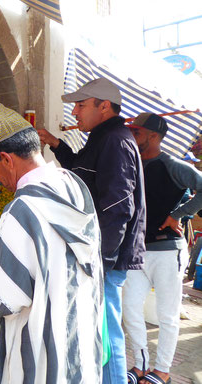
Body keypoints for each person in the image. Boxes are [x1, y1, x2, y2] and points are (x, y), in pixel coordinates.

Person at [0, 102, 104, 383]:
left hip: (40, 358)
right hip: (81, 342)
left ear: (6, 159)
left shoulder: (22, 210)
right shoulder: (74, 186)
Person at [37, 77, 146, 384]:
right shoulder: (101, 138)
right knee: (100, 328)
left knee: (107, 330)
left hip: (105, 258)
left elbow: (119, 206)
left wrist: (101, 259)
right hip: (98, 253)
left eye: (81, 105)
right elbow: (82, 173)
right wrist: (57, 145)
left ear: (105, 106)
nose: (75, 113)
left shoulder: (116, 140)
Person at [123, 113, 202, 384]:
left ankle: (163, 370)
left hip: (168, 251)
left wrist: (180, 213)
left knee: (167, 315)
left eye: (137, 132)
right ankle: (142, 365)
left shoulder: (171, 164)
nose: (132, 136)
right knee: (130, 309)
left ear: (153, 136)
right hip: (137, 251)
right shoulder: (131, 163)